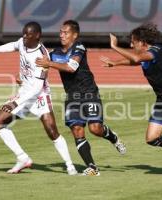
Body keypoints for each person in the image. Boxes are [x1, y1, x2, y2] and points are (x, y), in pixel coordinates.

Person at [100, 22, 162, 177]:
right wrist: (116, 63)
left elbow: (135, 57)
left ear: (142, 42)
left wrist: (114, 47)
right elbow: (135, 60)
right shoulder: (146, 55)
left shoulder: (157, 51)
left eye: (133, 41)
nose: (131, 44)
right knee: (151, 139)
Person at [0, 21, 77, 175]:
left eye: (28, 34)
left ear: (37, 36)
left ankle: (70, 166)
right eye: (23, 33)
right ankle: (22, 158)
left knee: (52, 131)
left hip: (39, 95)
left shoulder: (42, 56)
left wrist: (15, 103)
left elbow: (37, 88)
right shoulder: (23, 42)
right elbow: (13, 45)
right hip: (24, 92)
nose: (24, 37)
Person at [36, 20, 126, 176]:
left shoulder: (79, 47)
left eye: (66, 32)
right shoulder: (54, 53)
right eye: (61, 32)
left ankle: (113, 137)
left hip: (89, 93)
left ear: (75, 35)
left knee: (95, 129)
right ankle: (92, 167)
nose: (62, 35)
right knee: (77, 130)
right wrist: (24, 76)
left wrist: (49, 63)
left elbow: (71, 68)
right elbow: (38, 66)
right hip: (72, 97)